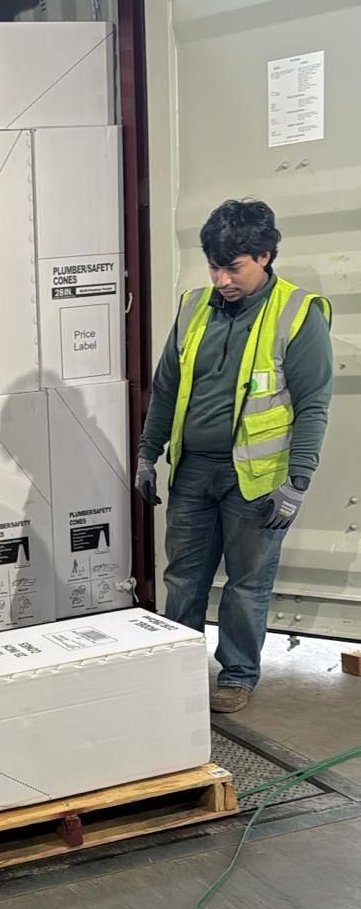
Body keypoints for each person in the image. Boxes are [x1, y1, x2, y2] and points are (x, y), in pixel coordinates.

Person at [135, 199, 333, 715]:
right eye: (214, 266)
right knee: (183, 579)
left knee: (247, 584)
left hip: (259, 481)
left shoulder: (297, 312)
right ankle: (176, 670)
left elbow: (313, 403)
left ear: (265, 255)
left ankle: (238, 675)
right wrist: (147, 454)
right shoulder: (192, 307)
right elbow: (165, 387)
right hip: (193, 471)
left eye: (234, 267)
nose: (222, 279)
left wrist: (298, 482)